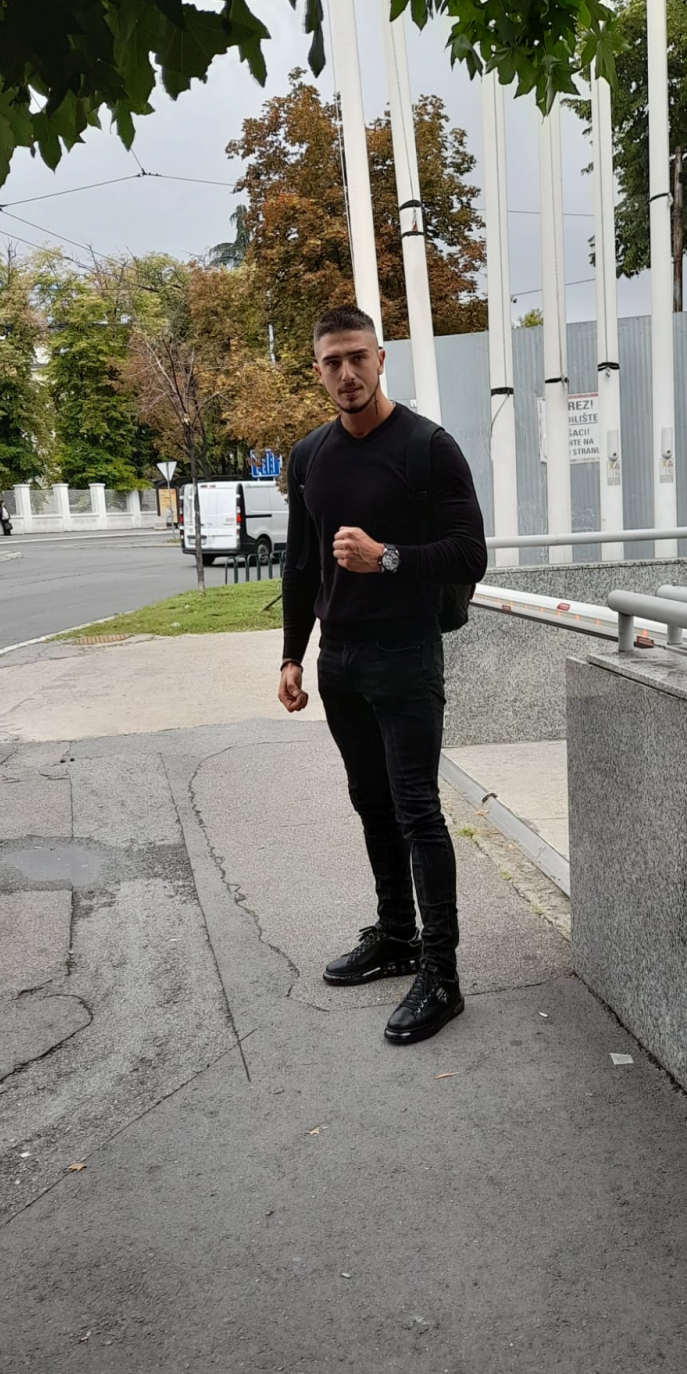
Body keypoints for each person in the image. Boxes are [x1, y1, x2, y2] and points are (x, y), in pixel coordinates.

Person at [279, 305, 487, 1046]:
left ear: (380, 358)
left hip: (406, 655)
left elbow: (471, 553)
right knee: (370, 803)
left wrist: (386, 556)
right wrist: (292, 654)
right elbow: (300, 563)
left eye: (358, 357)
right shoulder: (309, 455)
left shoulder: (428, 447)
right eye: (332, 362)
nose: (347, 373)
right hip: (340, 660)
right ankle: (397, 935)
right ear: (318, 370)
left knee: (416, 809)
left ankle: (442, 974)